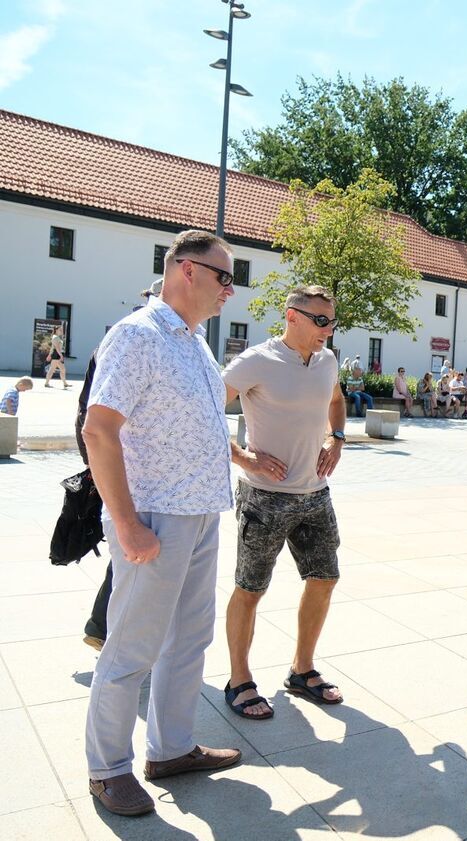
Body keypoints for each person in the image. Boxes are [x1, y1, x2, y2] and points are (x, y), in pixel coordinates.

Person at [80, 230, 242, 817]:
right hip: (154, 517)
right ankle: (108, 769)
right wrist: (125, 524)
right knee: (131, 649)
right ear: (186, 270)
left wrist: (243, 461)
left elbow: (202, 428)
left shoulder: (194, 343)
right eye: (224, 276)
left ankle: (171, 750)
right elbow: (99, 431)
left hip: (200, 514)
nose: (231, 289)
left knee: (189, 640)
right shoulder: (138, 336)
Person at [221, 285, 347, 721]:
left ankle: (302, 669)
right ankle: (239, 680)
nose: (327, 331)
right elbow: (204, 408)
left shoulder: (327, 360)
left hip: (316, 495)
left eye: (332, 321)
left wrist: (338, 438)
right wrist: (242, 456)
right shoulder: (257, 360)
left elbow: (335, 400)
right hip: (265, 498)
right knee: (250, 588)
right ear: (291, 316)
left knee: (324, 578)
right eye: (320, 321)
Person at [81, 280, 163, 651]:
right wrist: (96, 465)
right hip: (129, 468)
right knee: (131, 553)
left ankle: (104, 630)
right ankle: (109, 635)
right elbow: (94, 417)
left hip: (126, 464)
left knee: (128, 558)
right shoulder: (135, 336)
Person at [45, 324, 69, 388]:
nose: (61, 331)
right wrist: (61, 355)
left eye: (61, 330)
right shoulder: (55, 337)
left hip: (56, 354)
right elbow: (56, 348)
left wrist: (50, 355)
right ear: (56, 330)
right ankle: (47, 383)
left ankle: (65, 383)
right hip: (56, 354)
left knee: (59, 369)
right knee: (57, 369)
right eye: (60, 330)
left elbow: (52, 348)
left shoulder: (57, 337)